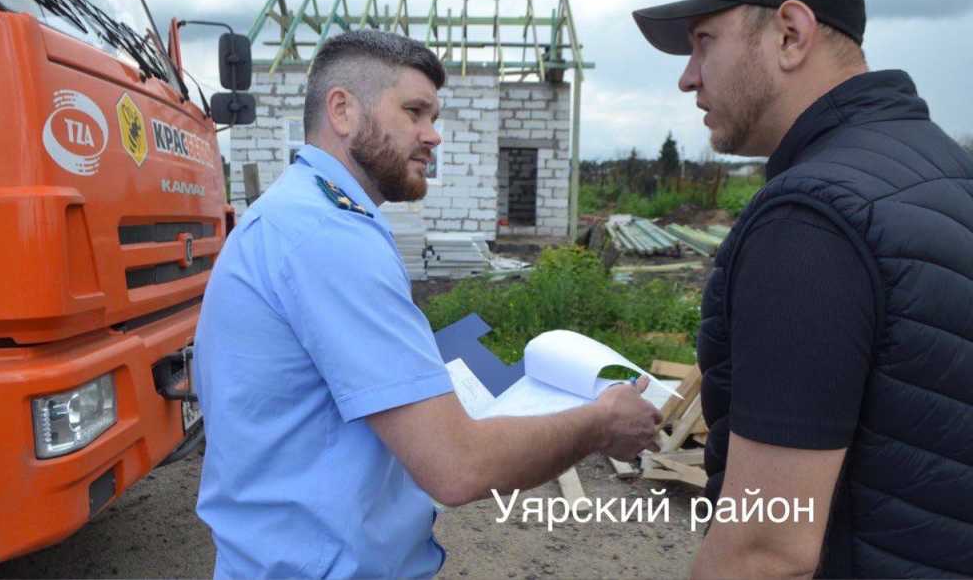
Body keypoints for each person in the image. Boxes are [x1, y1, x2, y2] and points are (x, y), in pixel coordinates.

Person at [192, 30, 661, 578]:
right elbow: (456, 466)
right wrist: (601, 422)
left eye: (433, 116)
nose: (432, 136)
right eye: (414, 112)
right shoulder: (325, 235)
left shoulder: (300, 215)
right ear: (342, 110)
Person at [633, 0, 973, 578]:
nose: (687, 77)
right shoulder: (947, 172)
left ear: (790, 34)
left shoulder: (812, 218)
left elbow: (765, 547)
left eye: (704, 41)